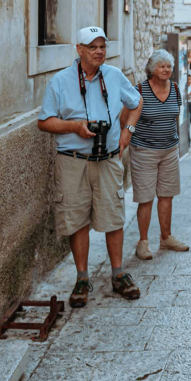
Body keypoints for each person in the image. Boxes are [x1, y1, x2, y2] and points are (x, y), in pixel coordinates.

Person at [38, 26, 145, 307]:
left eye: (102, 46)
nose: (99, 51)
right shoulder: (60, 81)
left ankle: (119, 274)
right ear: (79, 49)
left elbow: (136, 102)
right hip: (73, 161)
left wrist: (127, 132)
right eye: (93, 46)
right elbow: (44, 121)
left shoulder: (114, 75)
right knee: (76, 220)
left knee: (113, 217)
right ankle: (82, 278)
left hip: (108, 159)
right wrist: (75, 126)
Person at [127, 49, 190, 260]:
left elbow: (175, 115)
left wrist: (174, 143)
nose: (166, 70)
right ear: (151, 69)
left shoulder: (174, 88)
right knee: (145, 198)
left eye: (169, 66)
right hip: (144, 150)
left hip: (169, 150)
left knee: (167, 195)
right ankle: (143, 243)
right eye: (161, 66)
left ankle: (166, 237)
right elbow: (125, 119)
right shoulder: (140, 90)